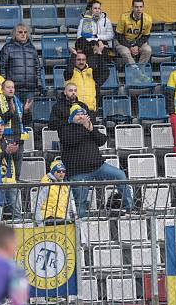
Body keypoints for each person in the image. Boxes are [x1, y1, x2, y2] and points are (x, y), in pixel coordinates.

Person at [49, 83, 133, 218]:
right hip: (77, 171)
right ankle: (80, 231)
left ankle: (130, 209)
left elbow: (102, 140)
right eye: (70, 90)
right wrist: (80, 126)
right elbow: (70, 141)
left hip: (97, 166)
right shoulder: (64, 127)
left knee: (120, 175)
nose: (81, 116)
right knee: (81, 204)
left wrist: (90, 128)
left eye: (83, 113)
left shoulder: (87, 125)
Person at [0, 80, 31, 180]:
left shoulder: (18, 102)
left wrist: (26, 112)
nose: (11, 89)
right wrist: (11, 112)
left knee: (17, 172)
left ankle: (15, 189)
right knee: (5, 170)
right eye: (8, 87)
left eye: (12, 87)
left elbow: (27, 122)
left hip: (18, 140)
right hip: (4, 141)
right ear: (2, 89)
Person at [0, 23, 41, 105]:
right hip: (14, 89)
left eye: (25, 32)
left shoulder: (32, 48)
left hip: (30, 88)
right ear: (15, 34)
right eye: (20, 32)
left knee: (28, 115)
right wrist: (5, 85)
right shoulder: (7, 48)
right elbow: (2, 67)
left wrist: (39, 84)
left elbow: (37, 68)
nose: (23, 34)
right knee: (15, 115)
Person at [0, 116, 22, 220]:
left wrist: (16, 151)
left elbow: (16, 159)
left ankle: (19, 229)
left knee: (16, 211)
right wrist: (5, 152)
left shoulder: (8, 141)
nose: (0, 128)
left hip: (10, 180)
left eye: (2, 125)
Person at [63, 46, 110, 113]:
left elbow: (105, 71)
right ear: (74, 60)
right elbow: (69, 71)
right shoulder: (69, 73)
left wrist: (99, 55)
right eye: (78, 59)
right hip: (73, 110)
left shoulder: (91, 71)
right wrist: (73, 54)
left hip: (90, 109)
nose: (81, 62)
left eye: (83, 60)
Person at [34, 160, 76, 226]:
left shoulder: (66, 186)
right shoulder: (46, 185)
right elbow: (37, 205)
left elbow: (67, 207)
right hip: (48, 218)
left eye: (63, 171)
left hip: (62, 219)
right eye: (58, 171)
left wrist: (68, 220)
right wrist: (40, 223)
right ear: (53, 172)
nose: (61, 173)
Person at [115, 0, 152, 65]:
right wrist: (130, 47)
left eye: (141, 7)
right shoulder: (124, 17)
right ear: (132, 8)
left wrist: (137, 46)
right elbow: (118, 35)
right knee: (125, 52)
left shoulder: (148, 19)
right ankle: (136, 72)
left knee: (147, 50)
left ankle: (140, 70)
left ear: (143, 8)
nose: (139, 9)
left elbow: (146, 36)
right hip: (123, 42)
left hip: (138, 42)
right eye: (136, 7)